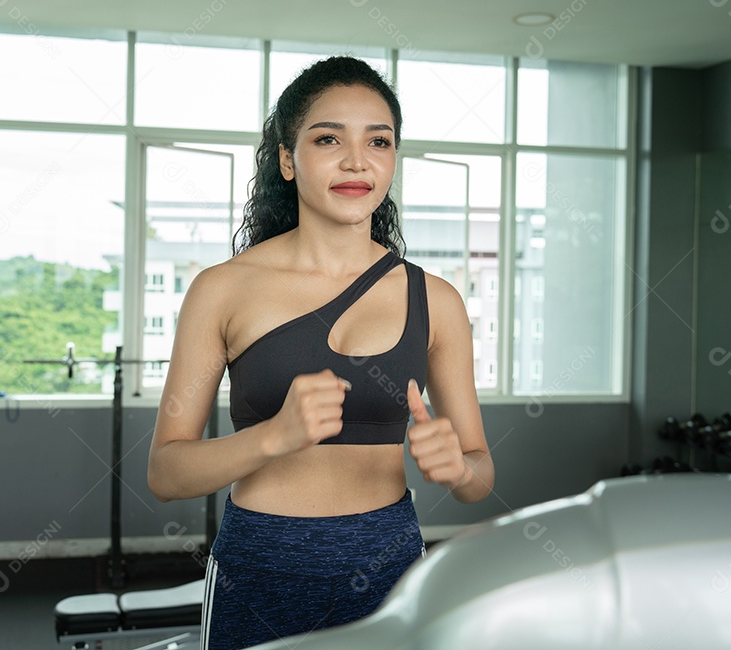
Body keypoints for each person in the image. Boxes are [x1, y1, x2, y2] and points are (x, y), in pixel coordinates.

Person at [147, 56, 494, 650]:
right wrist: (271, 438)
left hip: (390, 567)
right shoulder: (223, 289)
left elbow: (480, 475)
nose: (357, 160)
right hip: (258, 569)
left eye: (378, 141)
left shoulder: (436, 300)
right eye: (328, 137)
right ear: (287, 158)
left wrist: (459, 469)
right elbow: (165, 473)